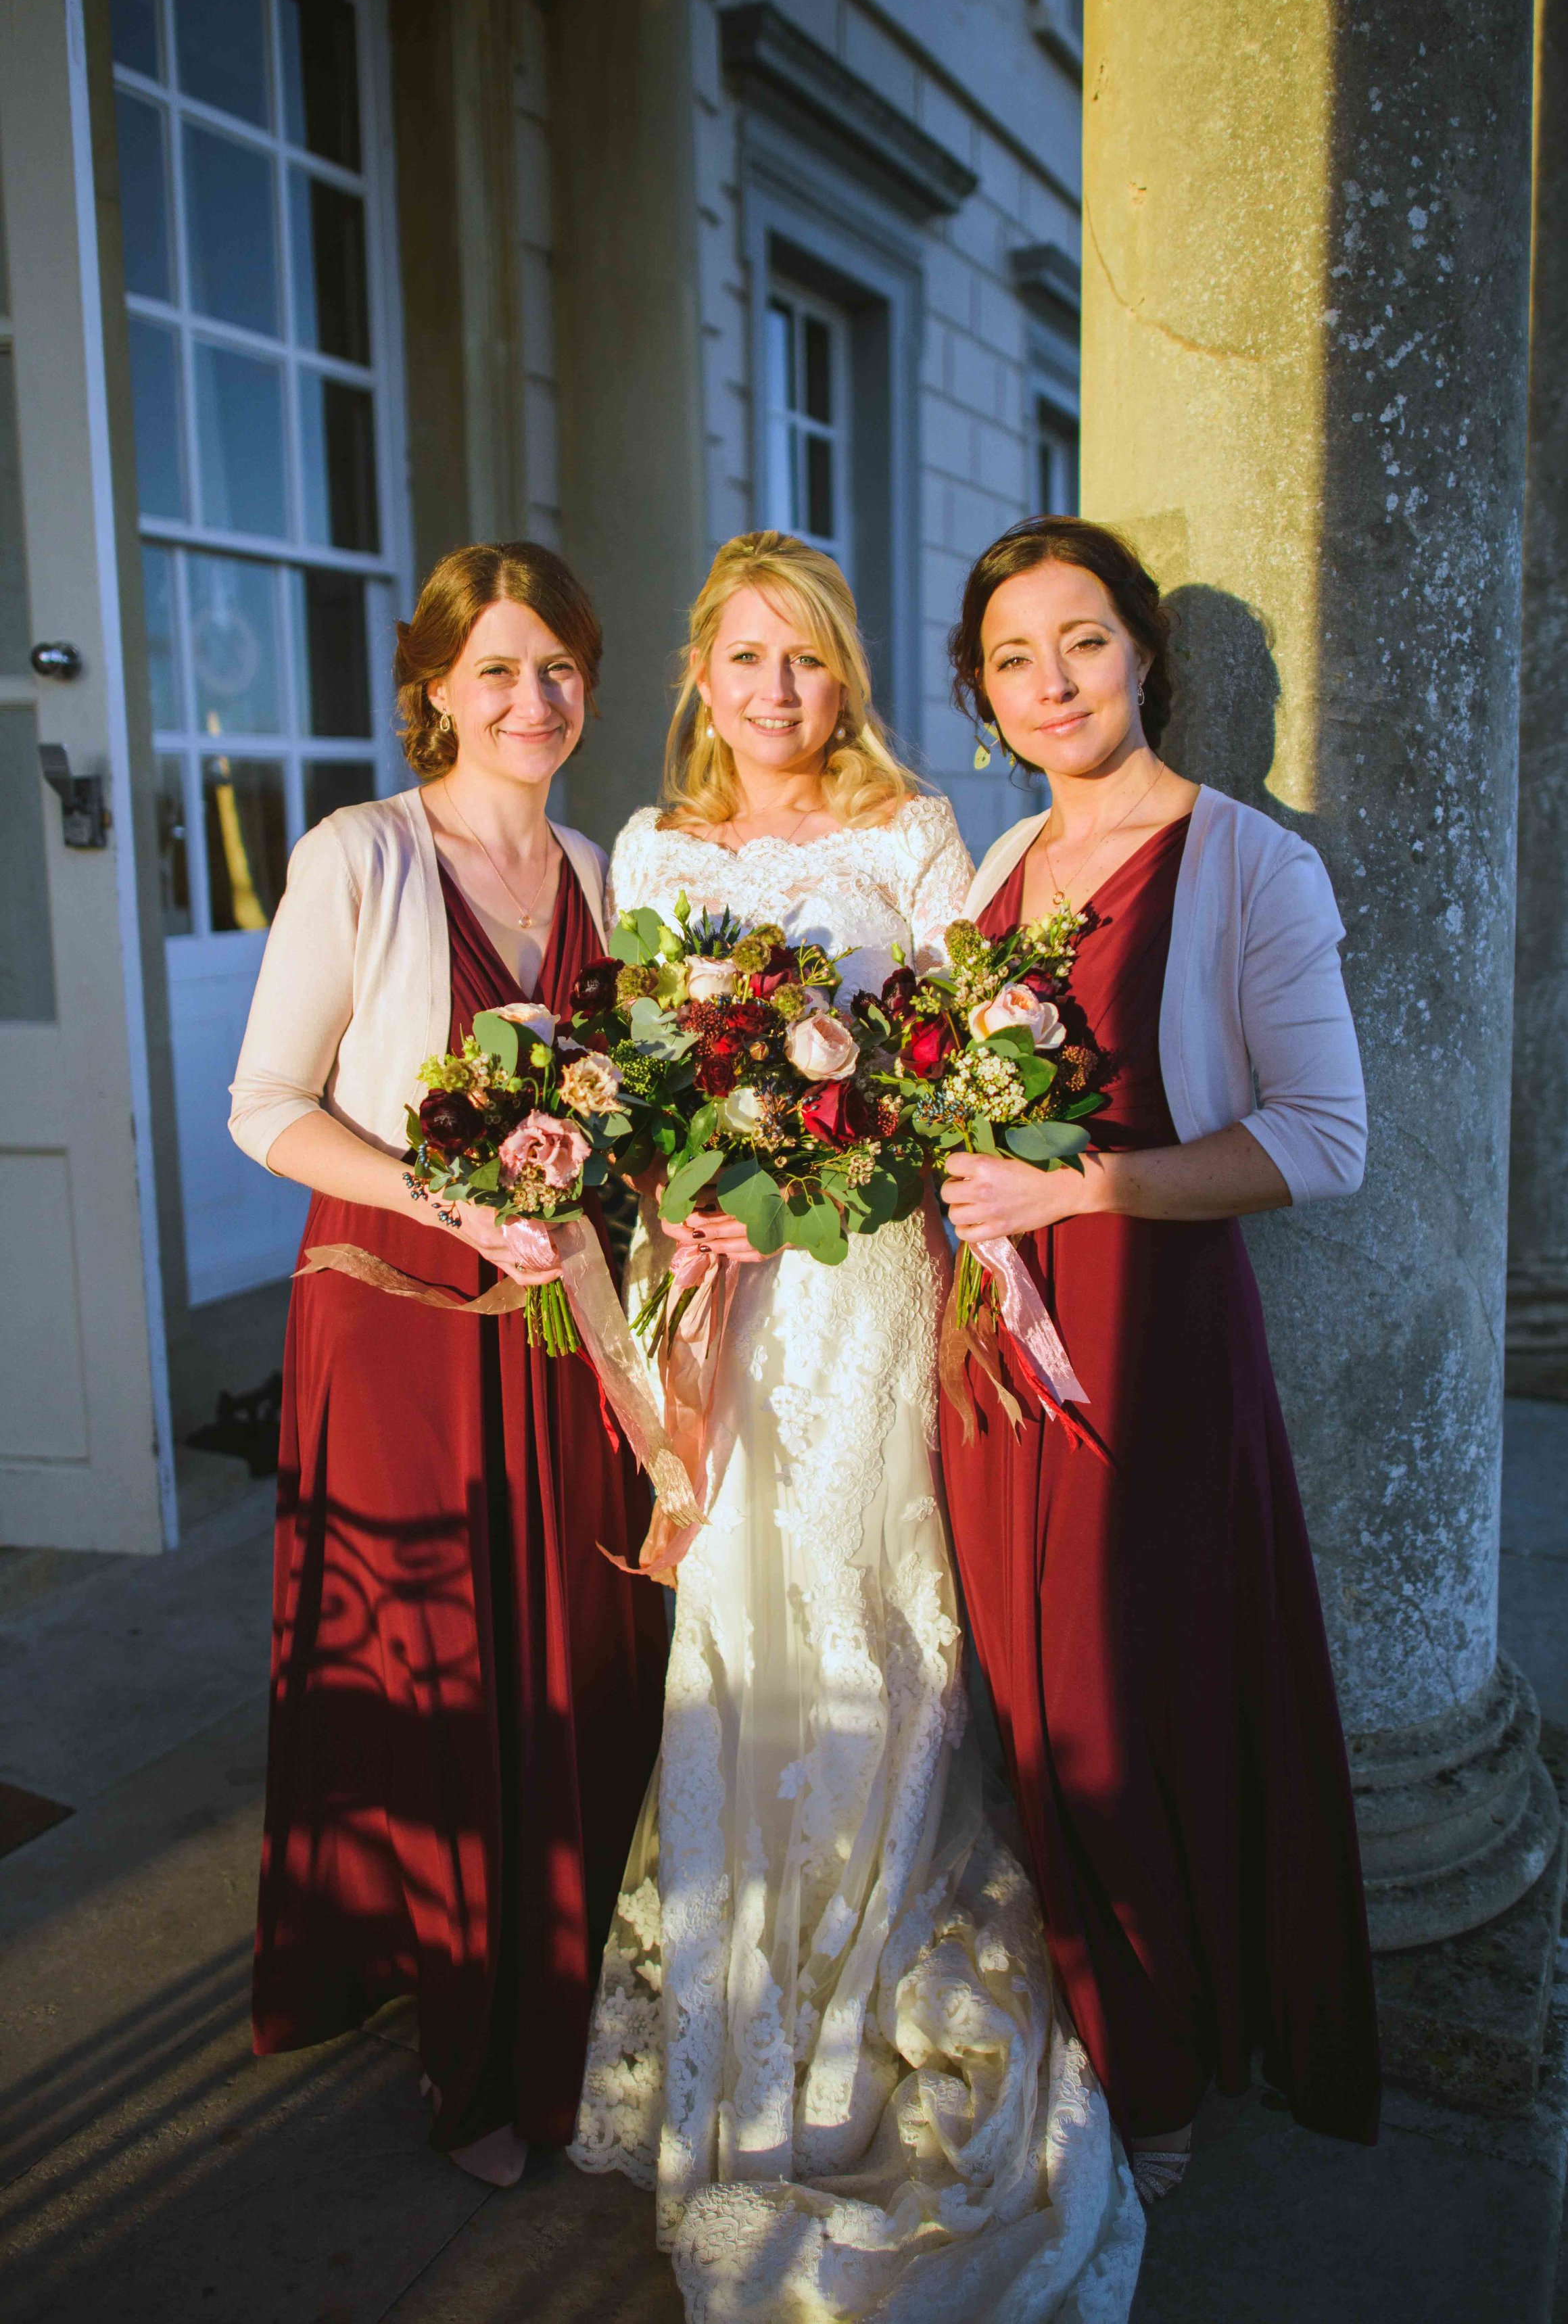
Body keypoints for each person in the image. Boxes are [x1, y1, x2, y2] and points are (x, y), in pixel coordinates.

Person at [569, 531, 1145, 2319]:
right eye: (745, 659)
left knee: (872, 1619)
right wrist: (686, 1179)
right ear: (698, 673)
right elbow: (631, 1073)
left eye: (807, 661)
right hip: (715, 1295)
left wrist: (831, 1158)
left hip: (865, 1286)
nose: (776, 693)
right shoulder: (649, 849)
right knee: (734, 1620)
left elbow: (975, 1057)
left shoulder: (913, 837)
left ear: (848, 675)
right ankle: (747, 2027)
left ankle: (870, 1992)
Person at [938, 515, 1381, 2201]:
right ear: (981, 696)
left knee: (1139, 1694)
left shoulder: (1250, 863)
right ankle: (1087, 2005)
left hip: (1150, 1344)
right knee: (1029, 1698)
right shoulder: (987, 878)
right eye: (1011, 657)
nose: (1051, 682)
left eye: (1082, 641)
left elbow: (1324, 1140)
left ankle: (1162, 2063)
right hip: (989, 1351)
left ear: (1142, 656)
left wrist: (1080, 1184)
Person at [228, 542, 666, 2188]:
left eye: (557, 667)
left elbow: (631, 1113)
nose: (531, 699)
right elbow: (265, 1106)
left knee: (584, 1646)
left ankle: (577, 1990)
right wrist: (451, 1195)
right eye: (495, 669)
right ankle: (472, 2040)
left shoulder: (609, 874)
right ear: (433, 689)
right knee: (442, 1668)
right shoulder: (359, 854)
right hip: (403, 1315)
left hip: (566, 1317)